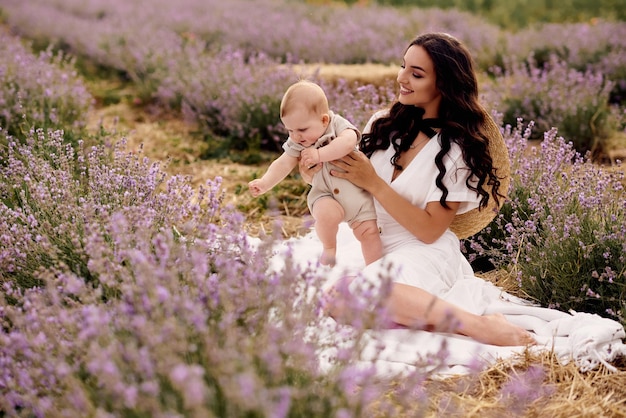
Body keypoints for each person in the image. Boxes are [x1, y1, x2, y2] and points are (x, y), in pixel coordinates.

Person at [299, 33, 535, 347]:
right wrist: (316, 174)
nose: (401, 78)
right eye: (403, 66)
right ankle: (417, 313)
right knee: (331, 301)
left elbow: (429, 231)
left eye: (416, 74)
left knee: (369, 291)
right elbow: (348, 190)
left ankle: (479, 326)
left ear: (444, 85)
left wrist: (374, 183)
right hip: (368, 239)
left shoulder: (457, 150)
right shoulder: (382, 124)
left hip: (422, 250)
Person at [249, 80, 382, 267]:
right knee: (325, 215)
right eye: (290, 130)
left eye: (302, 130)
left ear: (324, 120)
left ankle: (375, 269)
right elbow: (283, 163)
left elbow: (349, 141)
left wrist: (320, 155)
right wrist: (264, 183)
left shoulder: (336, 124)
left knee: (369, 234)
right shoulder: (298, 141)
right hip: (325, 195)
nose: (296, 136)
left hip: (357, 198)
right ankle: (329, 248)